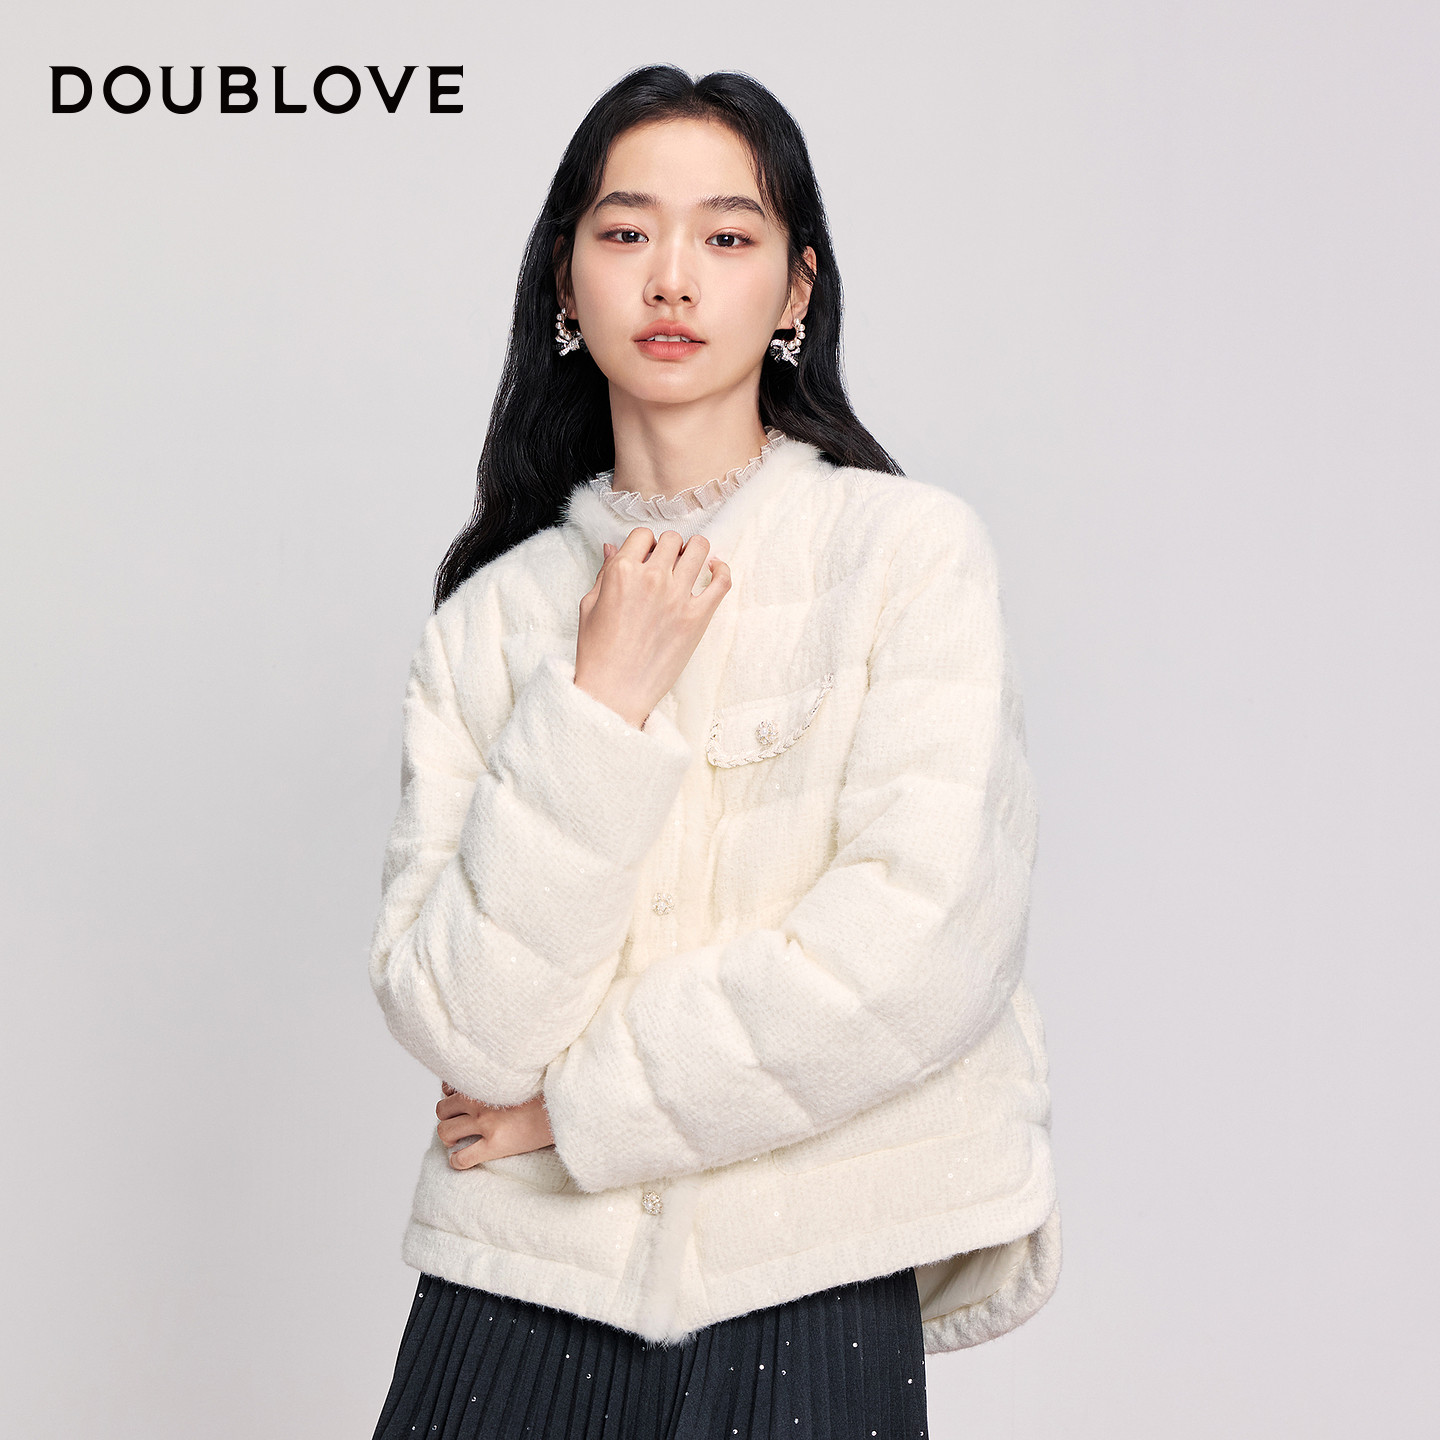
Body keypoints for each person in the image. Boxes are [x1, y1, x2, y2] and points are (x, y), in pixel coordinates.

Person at [367, 63, 1061, 1440]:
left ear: (797, 289)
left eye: (728, 236)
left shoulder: (906, 556)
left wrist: (578, 1108)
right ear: (565, 283)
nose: (672, 278)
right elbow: (461, 1029)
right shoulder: (487, 625)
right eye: (626, 231)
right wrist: (598, 706)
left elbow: (921, 946)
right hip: (512, 1291)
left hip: (808, 1284)